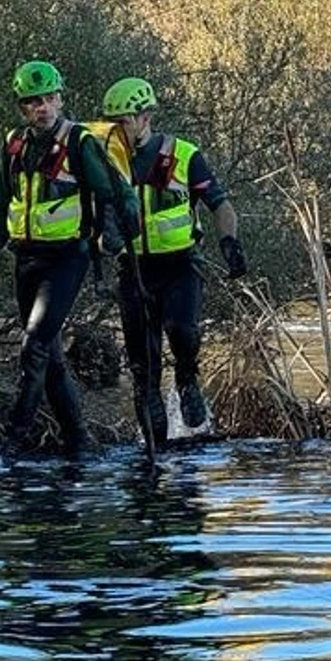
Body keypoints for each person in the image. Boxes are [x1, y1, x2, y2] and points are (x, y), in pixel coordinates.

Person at [0, 59, 138, 462]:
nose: (42, 107)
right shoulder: (14, 144)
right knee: (49, 359)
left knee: (34, 346)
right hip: (26, 259)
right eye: (33, 102)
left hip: (67, 259)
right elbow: (0, 205)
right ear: (22, 108)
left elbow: (111, 194)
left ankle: (11, 444)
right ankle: (79, 442)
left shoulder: (79, 143)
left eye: (49, 98)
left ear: (61, 99)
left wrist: (114, 238)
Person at [94, 76, 247, 448]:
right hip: (134, 269)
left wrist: (229, 243)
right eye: (112, 123)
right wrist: (100, 246)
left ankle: (187, 379)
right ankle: (154, 452)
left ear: (145, 117)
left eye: (124, 122)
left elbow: (220, 204)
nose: (117, 131)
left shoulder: (183, 155)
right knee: (142, 366)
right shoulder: (105, 161)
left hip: (181, 265)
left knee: (182, 330)